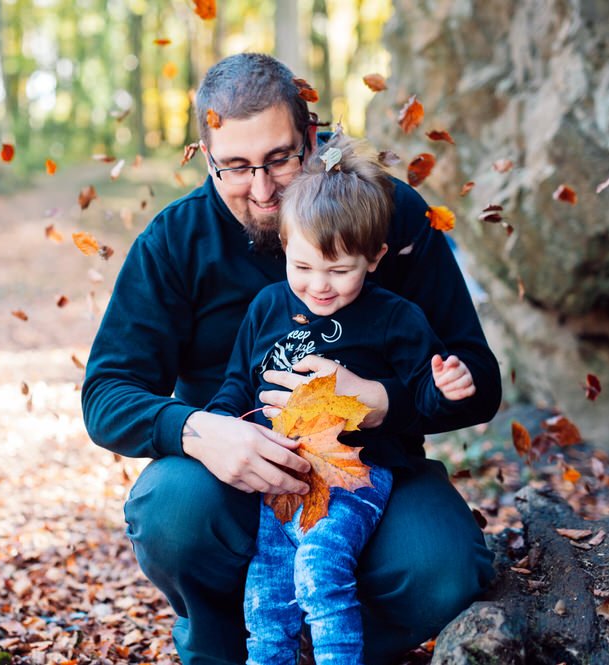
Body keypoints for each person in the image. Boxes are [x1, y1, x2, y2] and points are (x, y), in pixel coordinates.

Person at [81, 52, 501, 664]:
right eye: (235, 167)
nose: (263, 190)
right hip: (230, 479)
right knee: (171, 510)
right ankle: (225, 643)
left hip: (372, 473)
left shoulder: (387, 214)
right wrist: (202, 432)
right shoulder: (176, 241)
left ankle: (329, 637)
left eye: (280, 159)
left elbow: (478, 377)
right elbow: (106, 394)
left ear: (311, 135)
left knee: (445, 568)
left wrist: (381, 401)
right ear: (205, 155)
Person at [206, 133, 480, 665]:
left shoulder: (395, 318)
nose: (319, 287)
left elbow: (422, 397)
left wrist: (445, 388)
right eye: (303, 267)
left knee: (321, 564)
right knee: (268, 588)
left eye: (339, 271)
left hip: (357, 475)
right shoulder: (267, 308)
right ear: (285, 245)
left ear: (374, 258)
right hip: (281, 478)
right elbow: (237, 383)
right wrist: (221, 424)